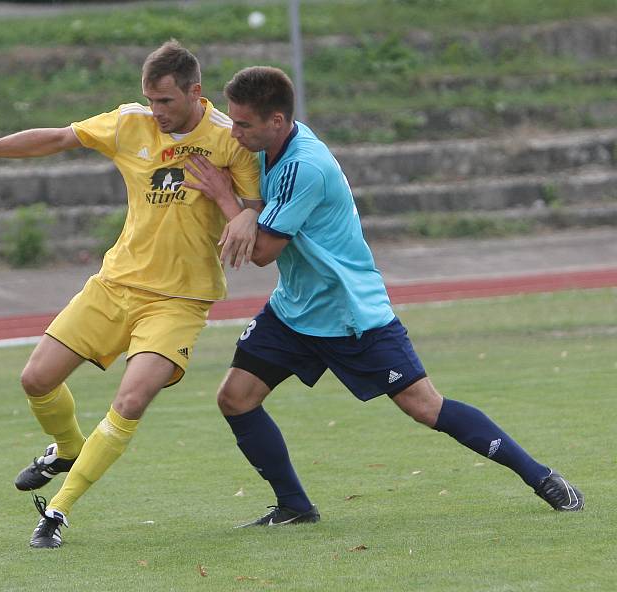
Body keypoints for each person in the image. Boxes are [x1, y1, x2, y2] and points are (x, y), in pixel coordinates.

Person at [187, 66, 584, 528]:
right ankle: (295, 506)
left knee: (426, 407)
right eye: (232, 122)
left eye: (244, 124)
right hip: (295, 310)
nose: (234, 133)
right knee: (235, 397)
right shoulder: (271, 147)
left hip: (350, 313)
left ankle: (542, 478)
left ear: (276, 121)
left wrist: (224, 199)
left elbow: (261, 253)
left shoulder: (303, 166)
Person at [0, 41, 262, 548]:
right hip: (115, 284)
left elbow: (251, 216)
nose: (156, 112)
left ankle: (57, 511)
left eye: (165, 102)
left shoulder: (229, 139)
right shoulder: (130, 123)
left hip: (179, 301)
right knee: (36, 378)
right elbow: (57, 138)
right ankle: (67, 447)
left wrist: (228, 200)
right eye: (150, 100)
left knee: (131, 398)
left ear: (195, 92)